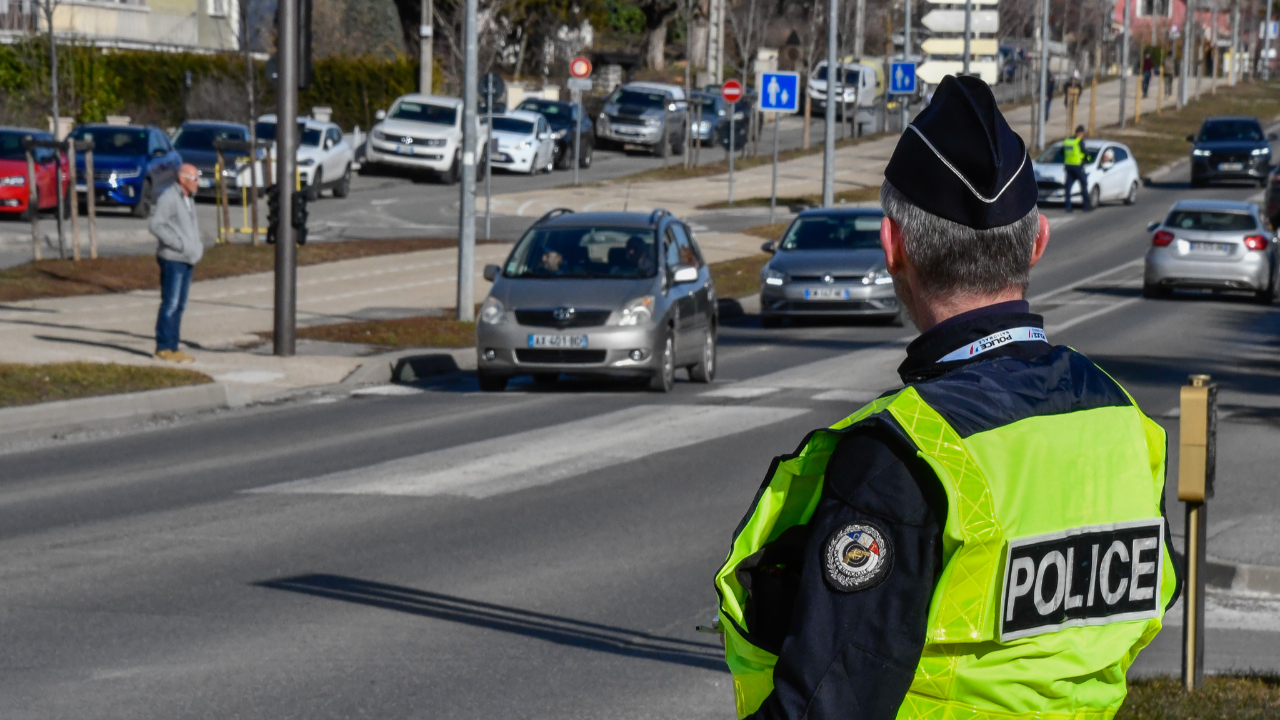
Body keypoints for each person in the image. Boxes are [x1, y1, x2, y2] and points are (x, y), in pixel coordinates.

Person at [713, 75, 1179, 720]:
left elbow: (828, 703)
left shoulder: (905, 457)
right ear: (1039, 241)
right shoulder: (1122, 420)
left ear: (892, 246)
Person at [150, 163, 204, 363]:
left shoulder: (189, 199)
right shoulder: (169, 197)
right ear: (183, 179)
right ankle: (163, 347)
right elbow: (156, 225)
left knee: (180, 305)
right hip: (173, 259)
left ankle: (174, 346)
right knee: (170, 303)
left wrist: (196, 247)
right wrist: (178, 244)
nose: (198, 183)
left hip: (188, 258)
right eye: (195, 178)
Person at [1062, 124, 1092, 212]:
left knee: (1068, 188)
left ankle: (1068, 207)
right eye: (1083, 133)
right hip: (1078, 167)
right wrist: (1088, 159)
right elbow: (1086, 153)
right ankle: (1086, 206)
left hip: (1068, 167)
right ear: (1081, 133)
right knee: (1084, 185)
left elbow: (1061, 153)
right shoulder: (1079, 141)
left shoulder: (1067, 141)